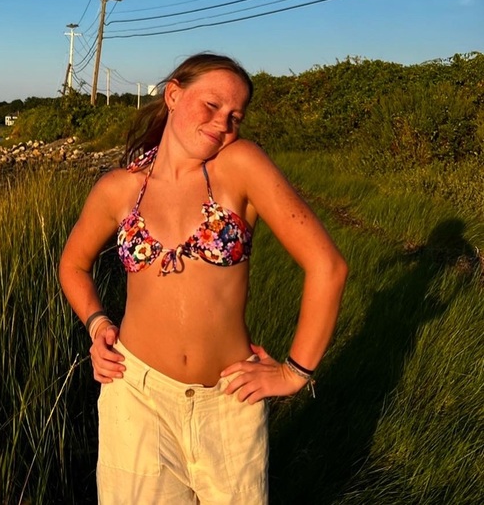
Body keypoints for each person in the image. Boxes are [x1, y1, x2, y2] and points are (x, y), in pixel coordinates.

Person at [59, 52, 348, 504]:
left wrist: (295, 373)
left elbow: (328, 266)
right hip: (136, 396)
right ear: (173, 95)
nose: (223, 123)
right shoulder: (119, 189)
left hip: (229, 402)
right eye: (212, 105)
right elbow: (73, 265)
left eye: (235, 116)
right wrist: (98, 326)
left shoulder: (240, 165)